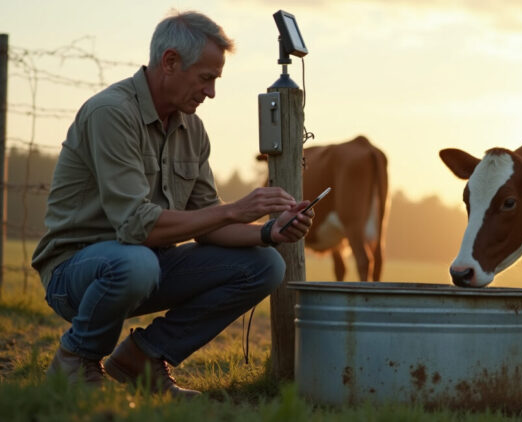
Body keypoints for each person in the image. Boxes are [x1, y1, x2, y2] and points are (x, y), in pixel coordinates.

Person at [31, 10, 313, 397]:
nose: (211, 92)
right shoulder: (111, 113)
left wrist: (267, 231)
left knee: (266, 265)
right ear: (170, 62)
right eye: (206, 78)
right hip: (76, 273)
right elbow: (135, 227)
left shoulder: (191, 128)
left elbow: (209, 225)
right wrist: (234, 209)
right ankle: (76, 359)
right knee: (136, 261)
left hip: (145, 267)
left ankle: (144, 357)